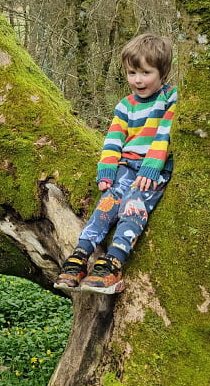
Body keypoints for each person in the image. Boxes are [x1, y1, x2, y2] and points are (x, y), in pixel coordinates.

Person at [54, 33, 177, 294]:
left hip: (152, 169)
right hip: (126, 167)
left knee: (133, 206)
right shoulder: (125, 106)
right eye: (132, 73)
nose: (138, 80)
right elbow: (113, 139)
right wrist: (107, 168)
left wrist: (152, 166)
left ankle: (113, 263)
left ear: (163, 72)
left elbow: (165, 132)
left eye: (146, 72)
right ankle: (79, 256)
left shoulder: (170, 99)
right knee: (106, 206)